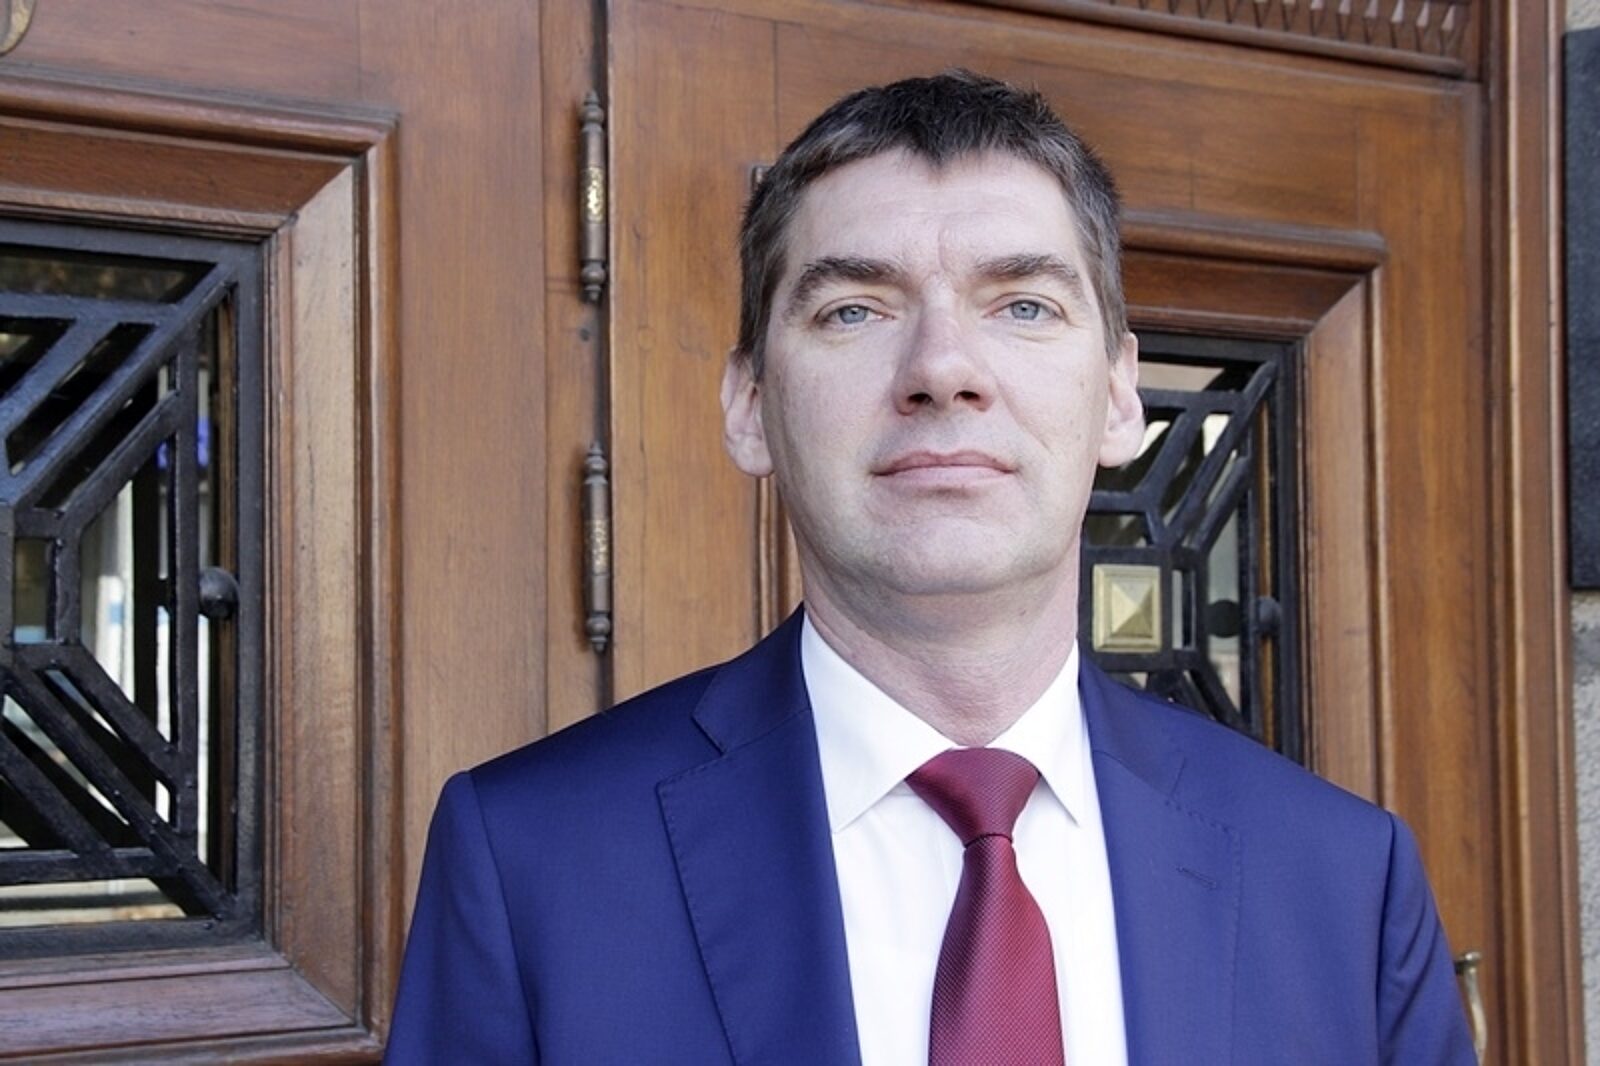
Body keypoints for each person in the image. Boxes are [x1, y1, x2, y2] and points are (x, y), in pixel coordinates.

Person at [385, 70, 1474, 1065]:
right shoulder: (530, 862)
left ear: (1117, 396)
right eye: (854, 309)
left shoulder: (1345, 881)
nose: (943, 368)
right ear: (750, 405)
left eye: (1024, 305)